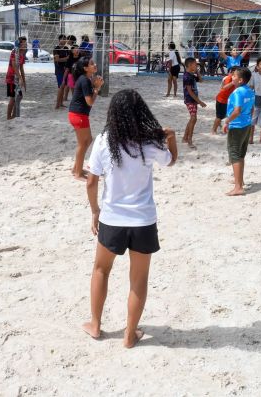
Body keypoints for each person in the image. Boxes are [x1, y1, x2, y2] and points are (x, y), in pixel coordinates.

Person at [81, 89, 177, 347]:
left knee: (101, 269)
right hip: (143, 220)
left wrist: (94, 211)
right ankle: (129, 334)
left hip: (113, 218)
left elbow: (91, 182)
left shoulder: (103, 140)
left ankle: (96, 325)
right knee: (139, 279)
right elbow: (171, 161)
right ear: (141, 112)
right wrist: (172, 138)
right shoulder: (149, 141)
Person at [68, 56, 104, 181]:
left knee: (87, 141)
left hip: (78, 114)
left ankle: (76, 168)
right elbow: (89, 102)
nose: (95, 65)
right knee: (82, 144)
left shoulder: (86, 79)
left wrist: (95, 87)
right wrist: (97, 89)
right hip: (78, 115)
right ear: (85, 68)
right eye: (91, 63)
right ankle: (77, 174)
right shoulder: (85, 80)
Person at [222, 67, 255, 196]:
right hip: (246, 125)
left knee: (234, 154)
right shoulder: (250, 91)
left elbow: (236, 111)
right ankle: (239, 181)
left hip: (236, 126)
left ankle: (238, 187)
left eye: (234, 76)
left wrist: (227, 121)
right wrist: (248, 120)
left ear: (240, 80)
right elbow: (252, 109)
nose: (232, 76)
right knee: (240, 154)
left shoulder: (238, 92)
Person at [182, 57, 206, 149]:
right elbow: (190, 92)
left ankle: (185, 137)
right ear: (190, 65)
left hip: (193, 100)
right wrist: (200, 101)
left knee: (193, 119)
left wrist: (197, 72)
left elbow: (201, 80)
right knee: (193, 118)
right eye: (195, 64)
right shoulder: (187, 76)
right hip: (190, 100)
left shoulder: (191, 75)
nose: (197, 65)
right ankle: (189, 140)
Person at [5, 36, 27, 120]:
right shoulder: (14, 52)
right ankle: (8, 117)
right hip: (11, 77)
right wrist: (20, 78)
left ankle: (14, 115)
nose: (25, 44)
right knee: (13, 97)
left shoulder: (22, 54)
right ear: (19, 44)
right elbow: (14, 66)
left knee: (19, 96)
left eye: (25, 43)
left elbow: (21, 68)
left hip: (17, 78)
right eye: (23, 43)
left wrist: (24, 81)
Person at [211, 69, 235, 135]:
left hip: (226, 100)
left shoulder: (233, 79)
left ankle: (221, 126)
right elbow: (224, 87)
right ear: (232, 73)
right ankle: (213, 130)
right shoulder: (229, 78)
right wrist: (233, 82)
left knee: (224, 115)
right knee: (219, 117)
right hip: (222, 100)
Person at [53, 34, 70, 109]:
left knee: (63, 87)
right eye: (63, 39)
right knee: (60, 86)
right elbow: (57, 59)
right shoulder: (56, 49)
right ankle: (57, 104)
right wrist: (66, 58)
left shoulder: (66, 48)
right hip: (59, 70)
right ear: (59, 40)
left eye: (65, 39)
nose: (64, 40)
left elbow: (69, 59)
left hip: (65, 70)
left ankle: (61, 103)